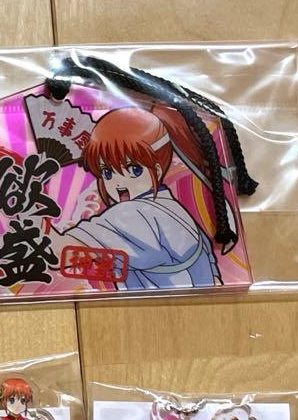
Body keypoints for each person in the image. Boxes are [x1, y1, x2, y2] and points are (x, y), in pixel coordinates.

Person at [58, 104, 223, 290]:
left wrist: (36, 224)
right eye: (107, 173)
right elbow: (211, 266)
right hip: (193, 300)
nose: (119, 184)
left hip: (162, 304)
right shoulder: (170, 205)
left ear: (157, 170)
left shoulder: (134, 212)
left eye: (133, 170)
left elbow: (62, 253)